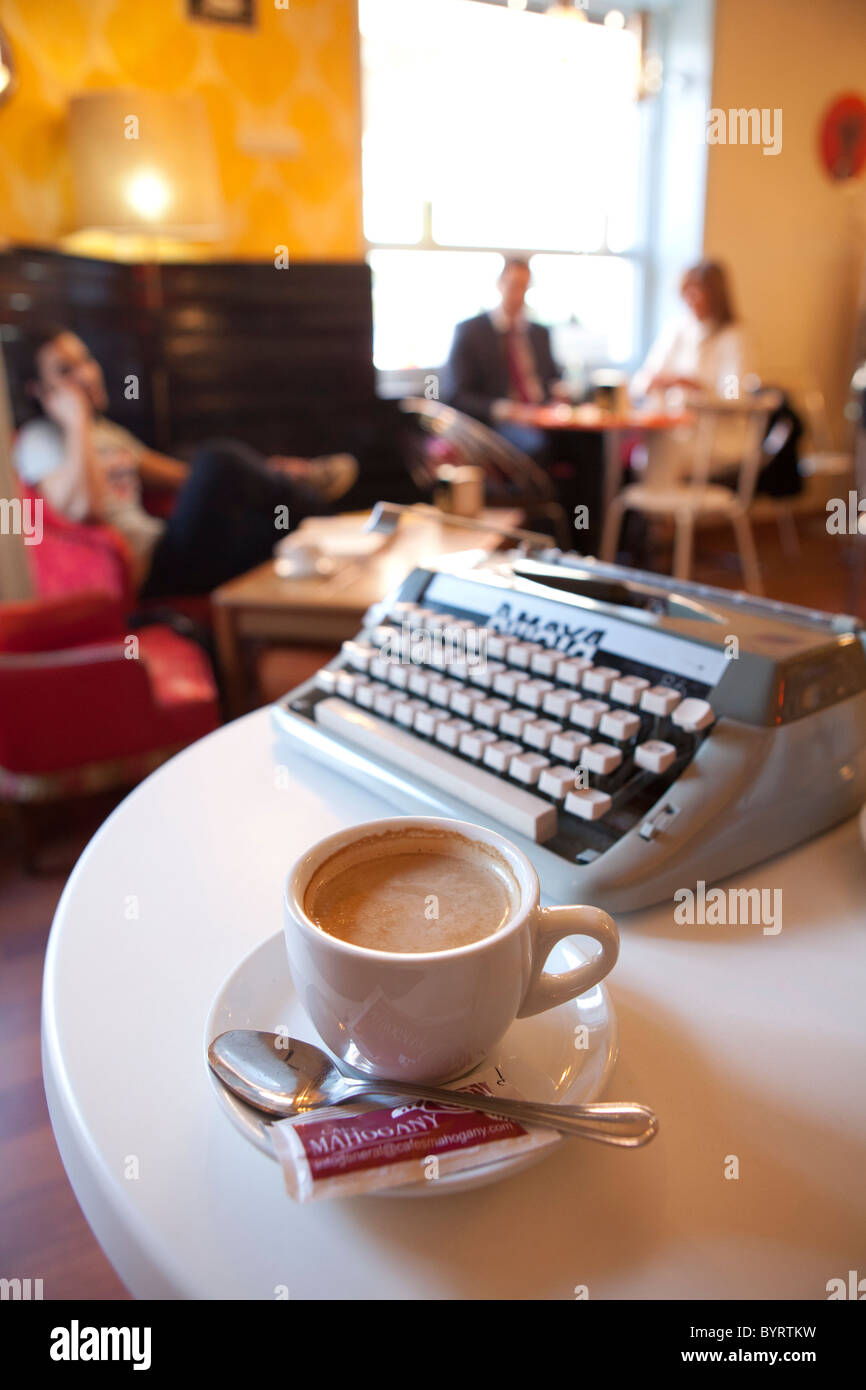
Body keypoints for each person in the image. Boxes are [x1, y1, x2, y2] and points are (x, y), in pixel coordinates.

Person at [9, 327, 359, 597]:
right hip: (153, 571)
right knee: (215, 459)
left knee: (269, 531)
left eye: (85, 360)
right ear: (39, 391)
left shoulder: (108, 434)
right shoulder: (38, 440)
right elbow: (86, 507)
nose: (86, 374)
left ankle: (342, 538)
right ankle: (329, 514)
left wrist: (267, 473)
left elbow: (186, 479)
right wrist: (76, 422)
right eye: (65, 370)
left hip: (178, 547)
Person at [445, 257, 562, 458]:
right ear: (500, 285)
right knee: (535, 445)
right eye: (514, 285)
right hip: (497, 423)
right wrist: (506, 410)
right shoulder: (471, 332)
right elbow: (457, 395)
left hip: (543, 416)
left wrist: (560, 392)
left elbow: (554, 378)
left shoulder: (539, 333)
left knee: (588, 443)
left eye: (525, 287)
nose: (519, 294)